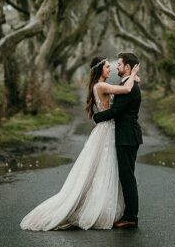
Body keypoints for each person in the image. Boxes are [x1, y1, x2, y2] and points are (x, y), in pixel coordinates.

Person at [19, 56, 140, 231]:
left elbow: (123, 94)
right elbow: (126, 91)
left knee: (105, 169)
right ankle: (105, 209)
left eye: (114, 65)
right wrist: (133, 75)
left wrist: (133, 78)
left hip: (108, 131)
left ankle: (116, 210)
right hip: (107, 130)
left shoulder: (99, 86)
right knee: (104, 169)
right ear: (100, 70)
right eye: (108, 67)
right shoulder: (101, 86)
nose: (111, 69)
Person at [92, 52, 142, 229]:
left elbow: (115, 111)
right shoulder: (127, 83)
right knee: (125, 176)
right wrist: (134, 77)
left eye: (119, 64)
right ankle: (128, 214)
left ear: (128, 67)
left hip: (127, 137)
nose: (116, 67)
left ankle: (131, 217)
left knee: (127, 177)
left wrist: (97, 118)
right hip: (125, 136)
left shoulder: (130, 86)